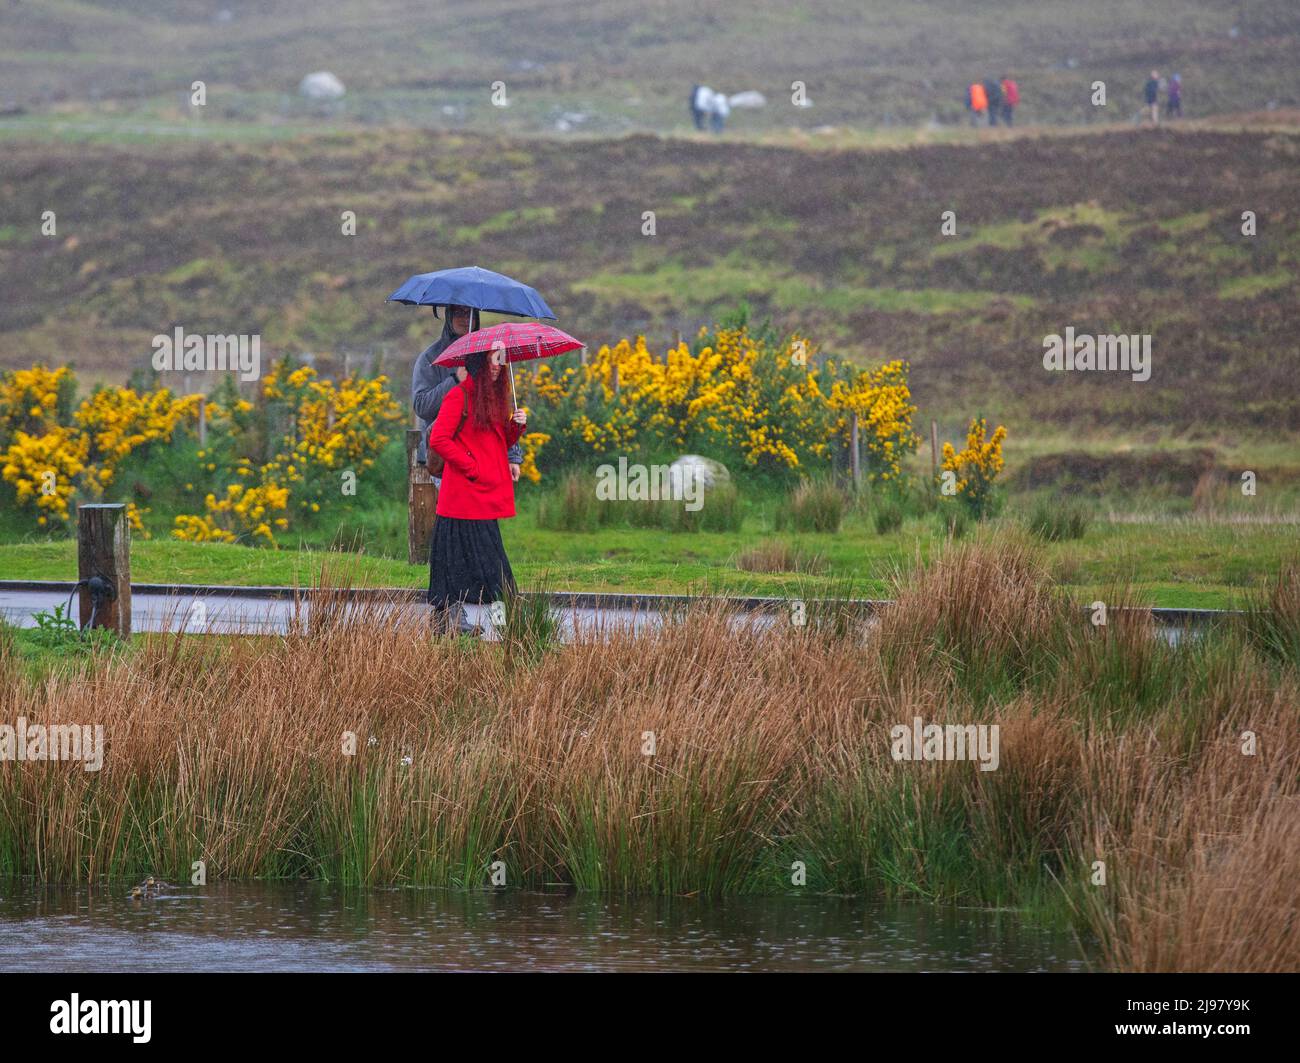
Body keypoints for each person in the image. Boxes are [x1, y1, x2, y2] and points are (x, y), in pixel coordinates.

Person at [426, 346, 528, 633]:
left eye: (501, 361)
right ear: (477, 363)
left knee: (491, 570)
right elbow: (439, 439)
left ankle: (503, 627)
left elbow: (496, 445)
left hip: (480, 500)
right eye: (492, 361)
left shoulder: (493, 400)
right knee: (466, 570)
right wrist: (471, 467)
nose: (498, 366)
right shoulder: (459, 396)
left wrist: (516, 428)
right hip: (461, 500)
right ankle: (500, 626)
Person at [412, 304, 523, 480]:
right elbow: (421, 406)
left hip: (482, 456)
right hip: (444, 461)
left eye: (470, 313)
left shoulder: (488, 353)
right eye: (458, 313)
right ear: (448, 316)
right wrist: (454, 381)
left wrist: (512, 456)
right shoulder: (430, 358)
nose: (465, 319)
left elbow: (499, 407)